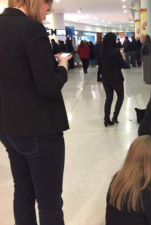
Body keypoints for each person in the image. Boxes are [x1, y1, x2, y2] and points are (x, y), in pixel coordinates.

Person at [0, 1, 72, 224]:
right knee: (49, 201)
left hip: (8, 127)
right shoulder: (31, 28)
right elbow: (49, 87)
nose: (45, 14)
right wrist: (62, 67)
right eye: (47, 7)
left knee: (22, 192)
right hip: (39, 129)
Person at [100, 33, 128, 127]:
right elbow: (123, 64)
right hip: (116, 78)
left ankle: (106, 119)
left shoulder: (102, 51)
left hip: (105, 78)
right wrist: (127, 65)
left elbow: (99, 63)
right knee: (120, 97)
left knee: (109, 98)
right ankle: (115, 117)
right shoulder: (116, 51)